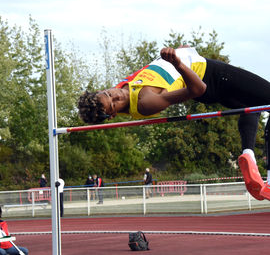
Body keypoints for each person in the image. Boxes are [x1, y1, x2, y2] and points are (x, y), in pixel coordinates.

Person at [78, 45, 270, 201]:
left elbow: (157, 69)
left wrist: (181, 52)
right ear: (112, 115)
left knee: (251, 108)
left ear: (103, 90)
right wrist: (178, 63)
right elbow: (198, 89)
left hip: (205, 72)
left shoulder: (123, 85)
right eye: (114, 105)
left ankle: (248, 155)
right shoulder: (146, 103)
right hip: (212, 77)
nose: (117, 96)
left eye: (109, 94)